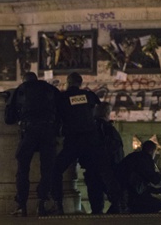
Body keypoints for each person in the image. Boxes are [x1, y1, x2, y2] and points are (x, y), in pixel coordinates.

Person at [4, 72, 61, 217]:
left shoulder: (20, 90)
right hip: (48, 132)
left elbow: (8, 118)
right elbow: (61, 108)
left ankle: (21, 205)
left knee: (23, 169)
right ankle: (42, 203)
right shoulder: (50, 89)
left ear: (24, 80)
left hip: (29, 132)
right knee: (47, 169)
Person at [50, 72, 101, 215]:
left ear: (68, 82)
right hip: (90, 141)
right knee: (92, 174)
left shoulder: (63, 97)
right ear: (80, 83)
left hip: (73, 141)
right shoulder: (88, 95)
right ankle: (97, 209)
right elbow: (98, 110)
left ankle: (58, 205)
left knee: (56, 171)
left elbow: (57, 117)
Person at [83, 102, 125, 214]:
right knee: (118, 202)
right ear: (107, 113)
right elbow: (117, 153)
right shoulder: (110, 130)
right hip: (108, 172)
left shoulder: (89, 129)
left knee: (96, 207)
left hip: (92, 171)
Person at [118, 140, 161, 214]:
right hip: (131, 197)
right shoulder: (146, 159)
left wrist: (158, 191)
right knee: (157, 205)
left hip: (123, 193)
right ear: (152, 151)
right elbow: (154, 179)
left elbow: (141, 185)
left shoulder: (133, 156)